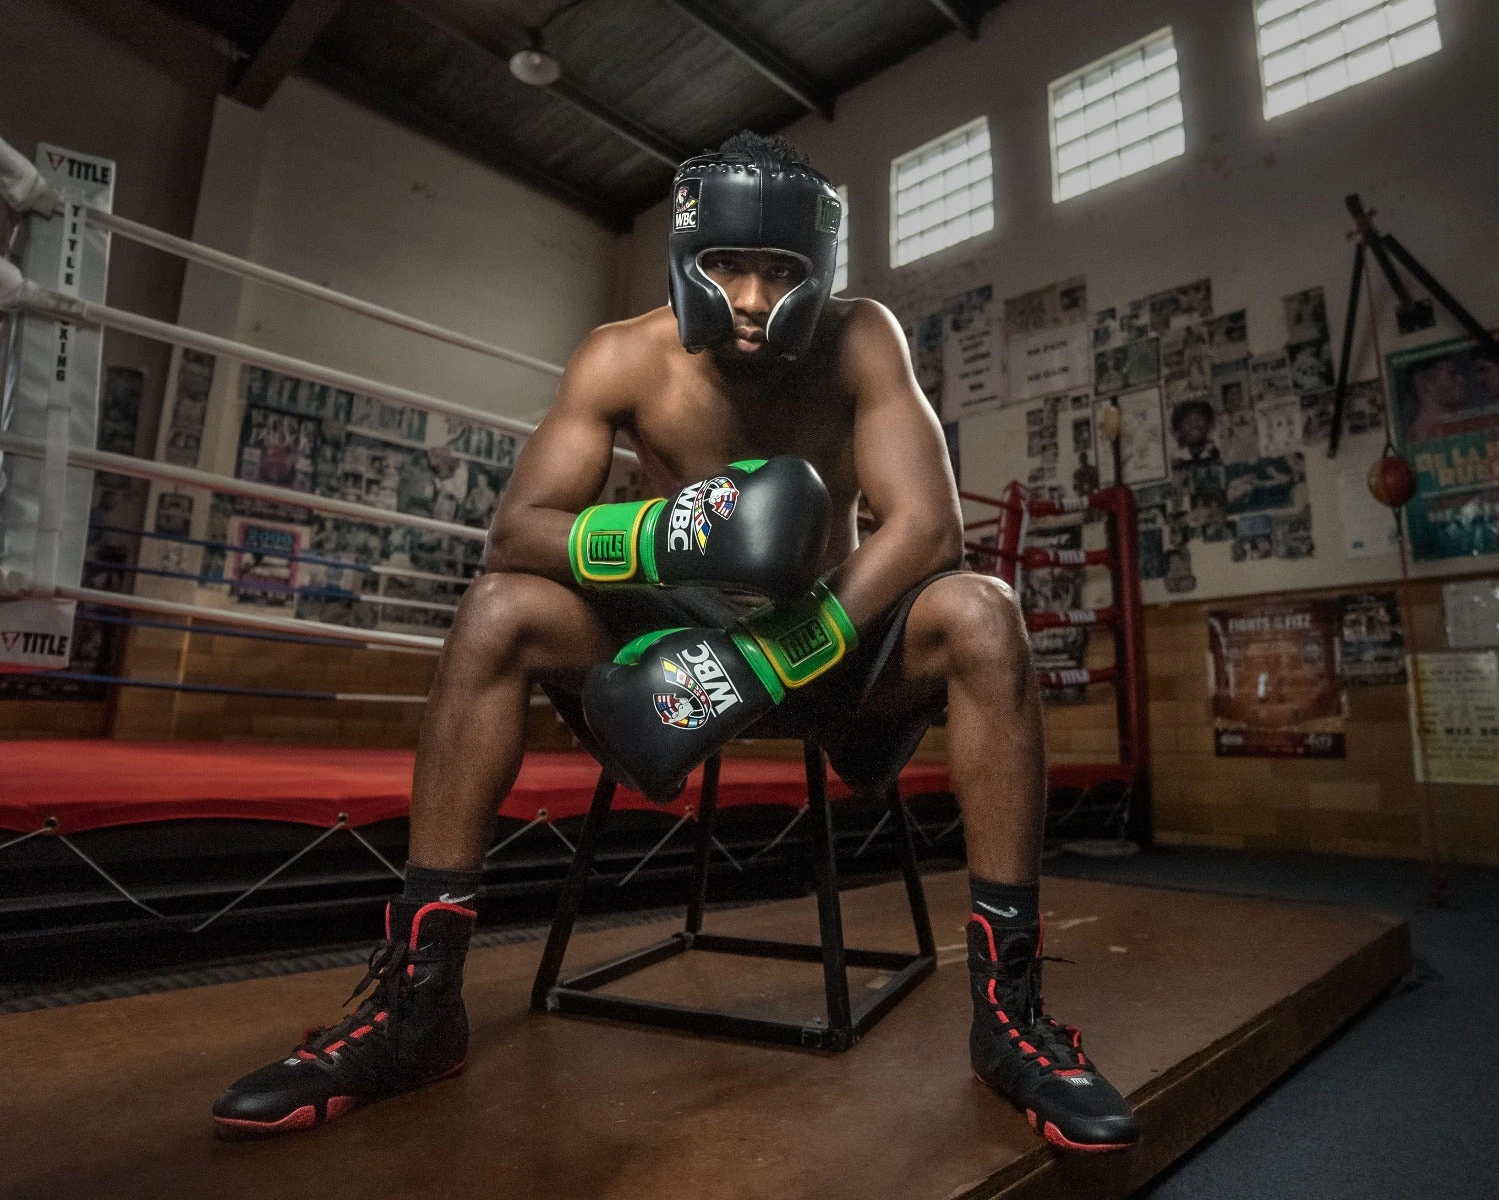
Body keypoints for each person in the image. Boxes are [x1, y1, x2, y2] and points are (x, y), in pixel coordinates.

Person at [212, 132, 1140, 1154]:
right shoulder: (621, 355)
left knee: (982, 612)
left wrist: (778, 649)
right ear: (685, 260)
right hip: (674, 649)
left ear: (817, 272)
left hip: (825, 643)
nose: (748, 297)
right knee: (496, 611)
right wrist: (661, 533)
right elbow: (518, 529)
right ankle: (419, 1007)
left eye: (778, 270)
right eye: (725, 267)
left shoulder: (859, 337)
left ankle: (1007, 1018)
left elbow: (924, 527)